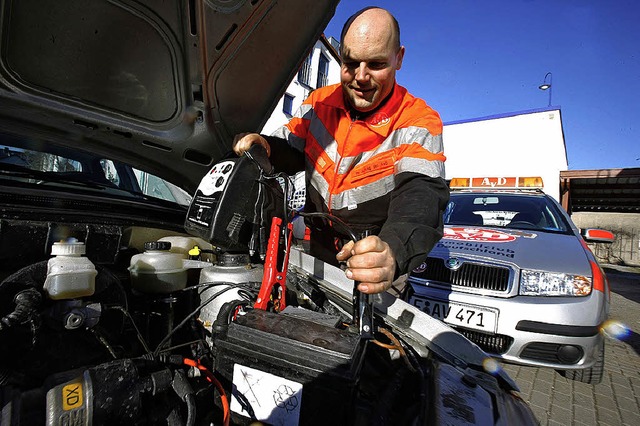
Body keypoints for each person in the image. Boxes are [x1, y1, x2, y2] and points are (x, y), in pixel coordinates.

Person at [233, 7, 449, 295]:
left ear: (399, 58)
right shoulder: (318, 103)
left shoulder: (418, 121)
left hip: (374, 258)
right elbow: (292, 149)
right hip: (317, 248)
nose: (360, 77)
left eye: (375, 64)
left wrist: (393, 250)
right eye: (350, 63)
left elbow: (421, 196)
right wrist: (266, 146)